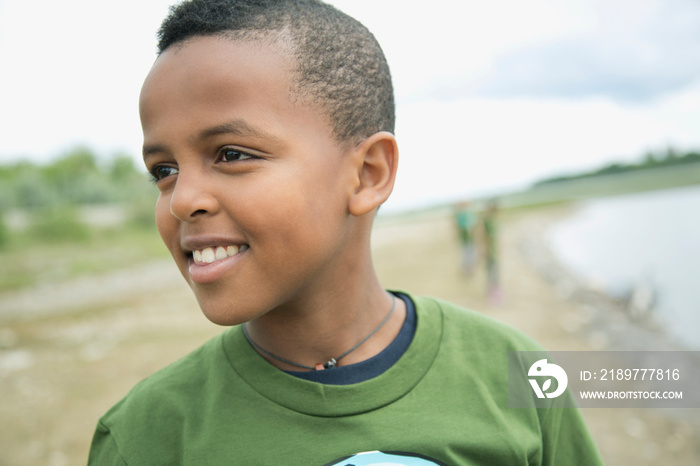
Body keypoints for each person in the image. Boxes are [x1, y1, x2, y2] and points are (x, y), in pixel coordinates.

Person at [88, 1, 603, 464]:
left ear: (368, 174)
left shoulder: (514, 373)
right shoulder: (144, 438)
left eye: (232, 154)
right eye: (164, 170)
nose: (182, 200)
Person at [453, 200, 478, 276]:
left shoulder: (463, 215)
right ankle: (467, 271)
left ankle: (468, 270)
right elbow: (467, 227)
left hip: (467, 240)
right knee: (467, 256)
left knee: (468, 256)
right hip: (467, 240)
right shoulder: (462, 215)